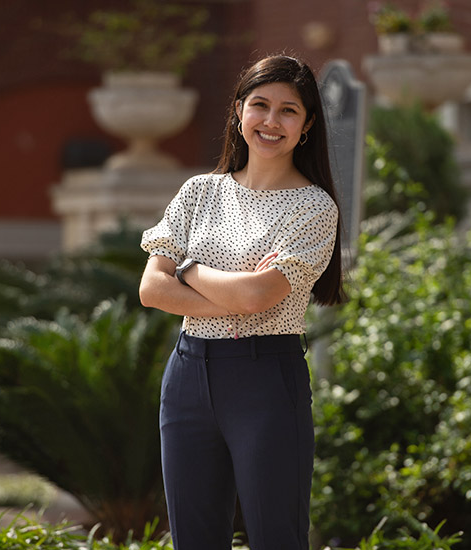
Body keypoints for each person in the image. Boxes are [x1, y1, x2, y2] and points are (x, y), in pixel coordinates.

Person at [139, 54, 345, 550]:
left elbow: (258, 295)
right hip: (187, 376)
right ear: (238, 111)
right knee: (194, 539)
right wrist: (235, 295)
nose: (271, 121)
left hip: (266, 381)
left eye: (288, 111)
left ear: (307, 124)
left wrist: (188, 270)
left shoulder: (315, 207)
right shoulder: (199, 192)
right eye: (260, 105)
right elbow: (150, 288)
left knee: (276, 536)